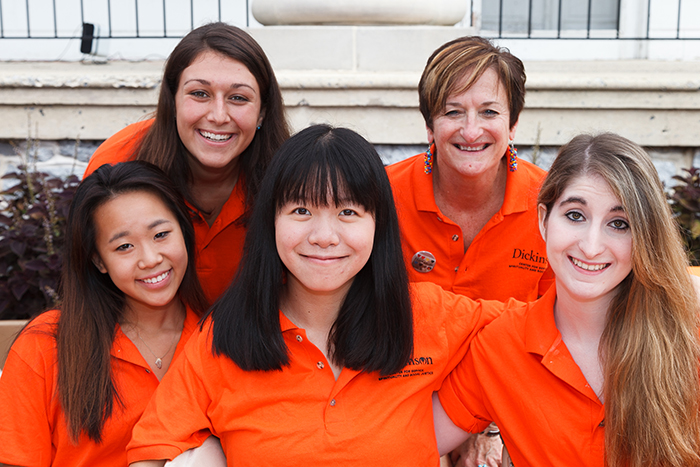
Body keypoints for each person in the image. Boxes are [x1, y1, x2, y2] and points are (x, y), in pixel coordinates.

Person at [123, 125, 509, 467]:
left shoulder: (426, 314)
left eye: (348, 212)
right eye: (302, 209)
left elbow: (539, 332)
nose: (324, 236)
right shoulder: (223, 338)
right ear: (271, 220)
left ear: (379, 223)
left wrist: (490, 427)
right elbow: (152, 452)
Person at [434, 133, 700, 467]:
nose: (591, 246)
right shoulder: (500, 345)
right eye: (575, 215)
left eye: (619, 224)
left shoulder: (689, 338)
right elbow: (404, 440)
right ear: (544, 220)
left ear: (644, 236)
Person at [0, 162, 209, 467]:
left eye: (161, 234)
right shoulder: (47, 344)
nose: (150, 259)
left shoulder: (217, 340)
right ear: (99, 260)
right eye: (124, 246)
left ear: (184, 232)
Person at [84, 22, 290, 303]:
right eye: (199, 94)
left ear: (262, 112)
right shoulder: (117, 161)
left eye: (238, 98)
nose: (218, 116)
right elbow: (90, 286)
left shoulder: (291, 179)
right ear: (173, 100)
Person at [387, 36, 551, 303]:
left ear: (513, 124)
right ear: (429, 126)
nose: (471, 131)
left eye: (489, 112)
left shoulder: (551, 201)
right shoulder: (384, 194)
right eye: (453, 112)